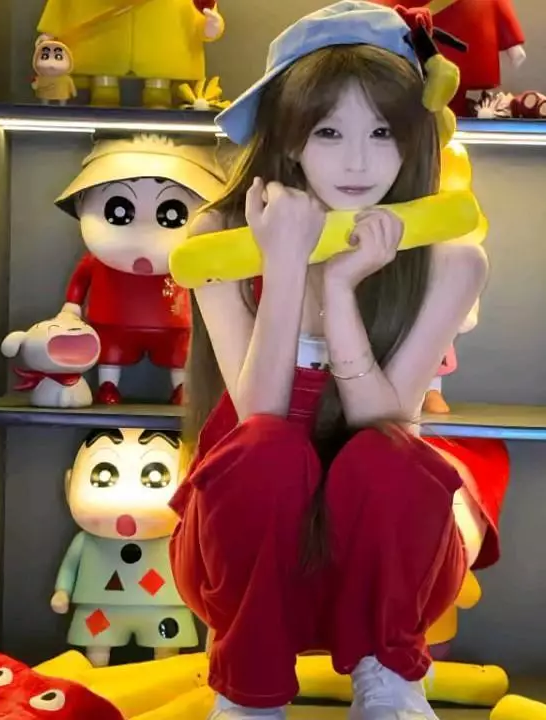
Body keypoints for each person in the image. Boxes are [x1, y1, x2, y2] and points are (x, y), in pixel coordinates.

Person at [168, 2, 509, 718]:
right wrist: (286, 264)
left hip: (385, 561)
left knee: (389, 454)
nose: (358, 162)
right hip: (249, 555)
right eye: (328, 131)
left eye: (383, 132)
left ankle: (389, 677)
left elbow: (387, 422)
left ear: (414, 140)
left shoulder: (451, 260)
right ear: (290, 139)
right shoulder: (220, 238)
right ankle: (248, 692)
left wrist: (343, 289)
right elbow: (258, 417)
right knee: (265, 451)